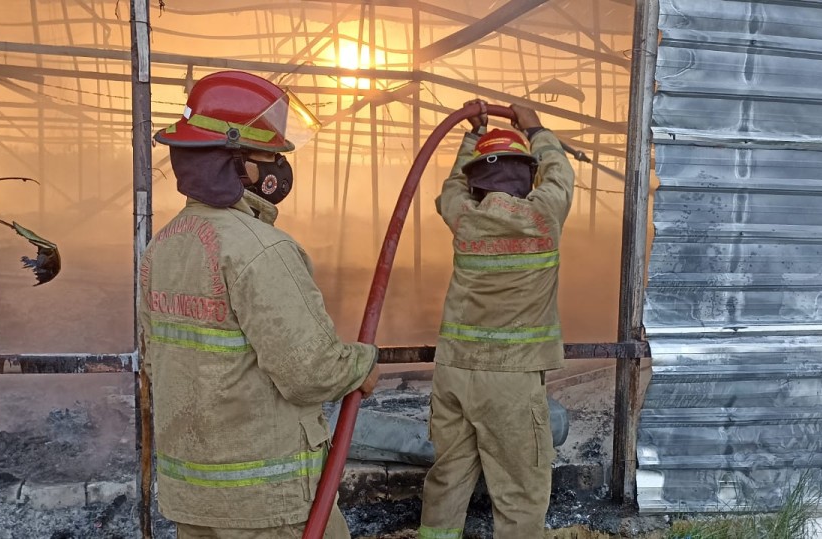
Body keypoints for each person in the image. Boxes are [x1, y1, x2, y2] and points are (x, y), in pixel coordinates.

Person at [140, 70, 381, 539]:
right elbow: (312, 372)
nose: (279, 168)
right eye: (271, 155)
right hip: (266, 502)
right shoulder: (262, 250)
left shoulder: (163, 247)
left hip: (193, 496)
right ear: (238, 164)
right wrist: (361, 364)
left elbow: (155, 359)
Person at [418, 101, 575, 539]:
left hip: (454, 373)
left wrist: (473, 134)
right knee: (520, 492)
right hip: (510, 378)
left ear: (476, 179)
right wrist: (536, 128)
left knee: (447, 480)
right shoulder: (543, 215)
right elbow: (561, 172)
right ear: (527, 175)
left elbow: (451, 186)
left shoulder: (464, 217)